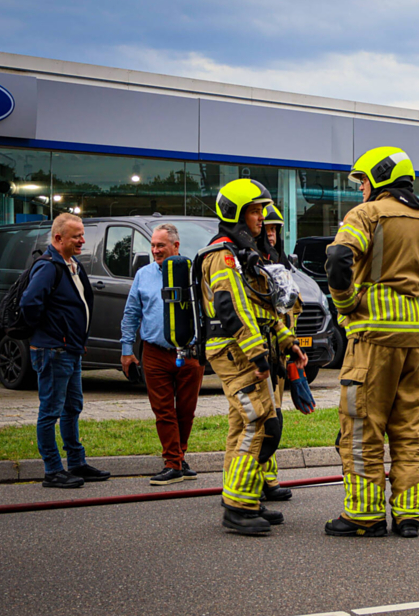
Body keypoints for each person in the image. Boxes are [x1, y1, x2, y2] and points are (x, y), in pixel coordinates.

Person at [324, 146, 419, 538]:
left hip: (374, 338)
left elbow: (339, 258)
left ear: (378, 178)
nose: (360, 188)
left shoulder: (366, 215)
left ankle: (364, 516)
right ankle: (409, 516)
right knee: (410, 429)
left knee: (363, 426)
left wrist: (347, 305)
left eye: (362, 181)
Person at [199, 179, 301, 535]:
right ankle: (238, 506)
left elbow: (263, 309)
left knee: (242, 425)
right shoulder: (222, 254)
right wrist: (258, 353)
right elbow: (232, 307)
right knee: (260, 423)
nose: (262, 217)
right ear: (236, 213)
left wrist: (288, 343)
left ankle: (245, 497)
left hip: (246, 349)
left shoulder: (245, 254)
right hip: (235, 352)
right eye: (255, 210)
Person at [20, 212, 110, 488]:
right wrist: (52, 335)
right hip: (54, 351)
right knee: (51, 410)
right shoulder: (48, 267)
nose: (83, 240)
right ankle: (52, 470)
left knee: (72, 407)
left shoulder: (72, 264)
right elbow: (29, 304)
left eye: (83, 235)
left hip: (71, 349)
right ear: (58, 238)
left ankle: (76, 463)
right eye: (76, 236)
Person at [120, 223, 204, 485]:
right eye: (153, 245)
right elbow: (131, 313)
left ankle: (179, 456)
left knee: (186, 411)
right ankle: (172, 462)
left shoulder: (194, 273)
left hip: (189, 353)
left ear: (175, 246)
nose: (155, 250)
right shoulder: (143, 275)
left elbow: (207, 311)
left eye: (160, 246)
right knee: (164, 411)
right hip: (155, 353)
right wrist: (126, 351)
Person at [255, 202, 308, 498]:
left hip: (279, 353)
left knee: (274, 418)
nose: (271, 233)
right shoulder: (251, 261)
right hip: (259, 354)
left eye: (276, 228)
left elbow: (292, 309)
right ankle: (256, 482)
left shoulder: (280, 262)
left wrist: (292, 352)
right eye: (267, 227)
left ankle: (269, 478)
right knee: (264, 421)